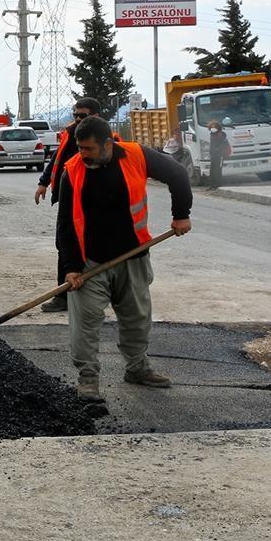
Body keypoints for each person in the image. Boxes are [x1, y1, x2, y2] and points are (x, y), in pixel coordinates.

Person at [57, 116, 192, 403]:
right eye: (80, 148)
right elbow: (65, 224)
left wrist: (181, 214)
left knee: (137, 319)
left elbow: (178, 174)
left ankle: (137, 368)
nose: (83, 154)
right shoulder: (73, 171)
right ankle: (88, 378)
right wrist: (70, 268)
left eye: (89, 149)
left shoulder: (136, 155)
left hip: (133, 256)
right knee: (85, 322)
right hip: (90, 262)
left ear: (108, 144)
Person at [33, 97, 102, 313]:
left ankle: (95, 294)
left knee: (90, 246)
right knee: (65, 244)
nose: (78, 119)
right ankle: (63, 296)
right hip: (69, 197)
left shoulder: (104, 138)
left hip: (91, 202)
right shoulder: (70, 134)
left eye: (83, 115)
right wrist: (43, 183)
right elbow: (57, 159)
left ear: (95, 116)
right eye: (75, 115)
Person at [207, 119, 229, 190]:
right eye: (212, 127)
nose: (213, 128)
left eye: (214, 127)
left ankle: (218, 185)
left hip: (220, 156)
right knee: (212, 170)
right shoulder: (212, 134)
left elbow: (224, 144)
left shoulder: (221, 134)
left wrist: (218, 150)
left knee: (218, 170)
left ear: (218, 127)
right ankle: (212, 185)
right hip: (213, 155)